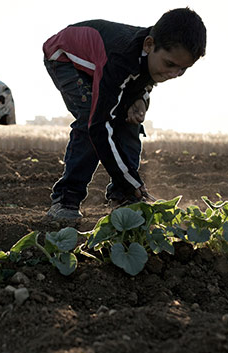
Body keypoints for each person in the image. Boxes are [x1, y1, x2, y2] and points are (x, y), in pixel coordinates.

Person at [42, 7, 207, 220]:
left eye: (183, 69)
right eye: (170, 65)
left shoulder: (151, 57)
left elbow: (143, 81)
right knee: (90, 117)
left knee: (131, 119)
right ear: (149, 45)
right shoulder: (121, 58)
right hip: (65, 58)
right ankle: (66, 199)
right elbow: (99, 126)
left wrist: (140, 100)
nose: (174, 74)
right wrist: (131, 180)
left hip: (103, 67)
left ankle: (123, 198)